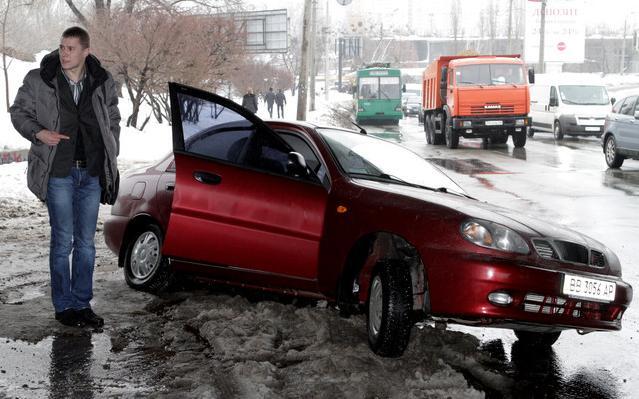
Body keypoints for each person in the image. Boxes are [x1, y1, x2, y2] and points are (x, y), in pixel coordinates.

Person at [10, 26, 121, 328]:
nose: (65, 53)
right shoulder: (39, 78)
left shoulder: (102, 80)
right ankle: (64, 306)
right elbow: (18, 112)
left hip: (92, 172)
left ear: (86, 51)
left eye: (71, 48)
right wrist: (38, 133)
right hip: (59, 171)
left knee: (85, 243)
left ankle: (82, 304)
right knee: (62, 242)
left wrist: (113, 143)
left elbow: (112, 116)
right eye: (62, 47)